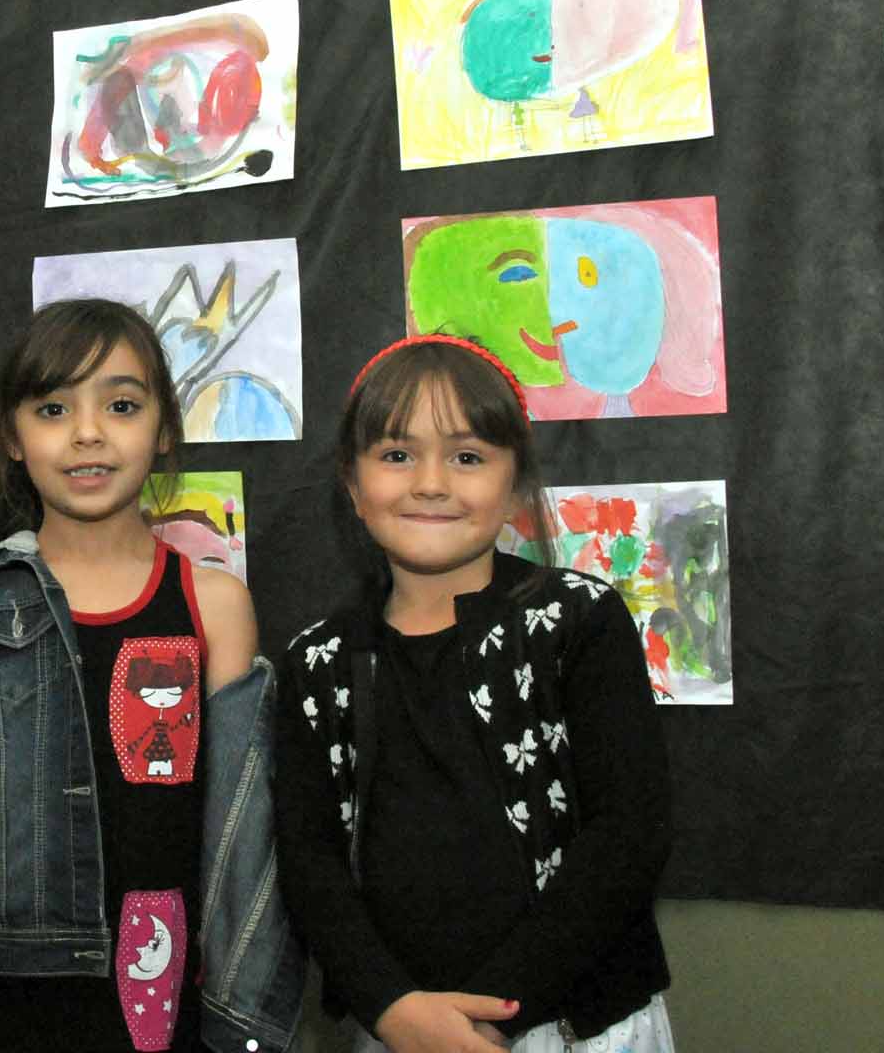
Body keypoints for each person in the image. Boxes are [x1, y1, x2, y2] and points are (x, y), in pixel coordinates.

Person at [0, 298, 305, 1053]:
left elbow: (237, 837)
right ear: (11, 437)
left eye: (121, 405)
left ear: (164, 428)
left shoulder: (213, 603)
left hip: (160, 994)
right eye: (53, 408)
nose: (88, 432)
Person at [272, 334, 674, 1053]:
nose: (431, 483)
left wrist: (490, 1015)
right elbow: (311, 865)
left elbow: (628, 835)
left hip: (576, 1027)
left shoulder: (578, 621)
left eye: (467, 457)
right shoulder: (317, 663)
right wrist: (392, 1009)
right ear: (353, 485)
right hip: (399, 1029)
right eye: (397, 455)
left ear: (515, 486)